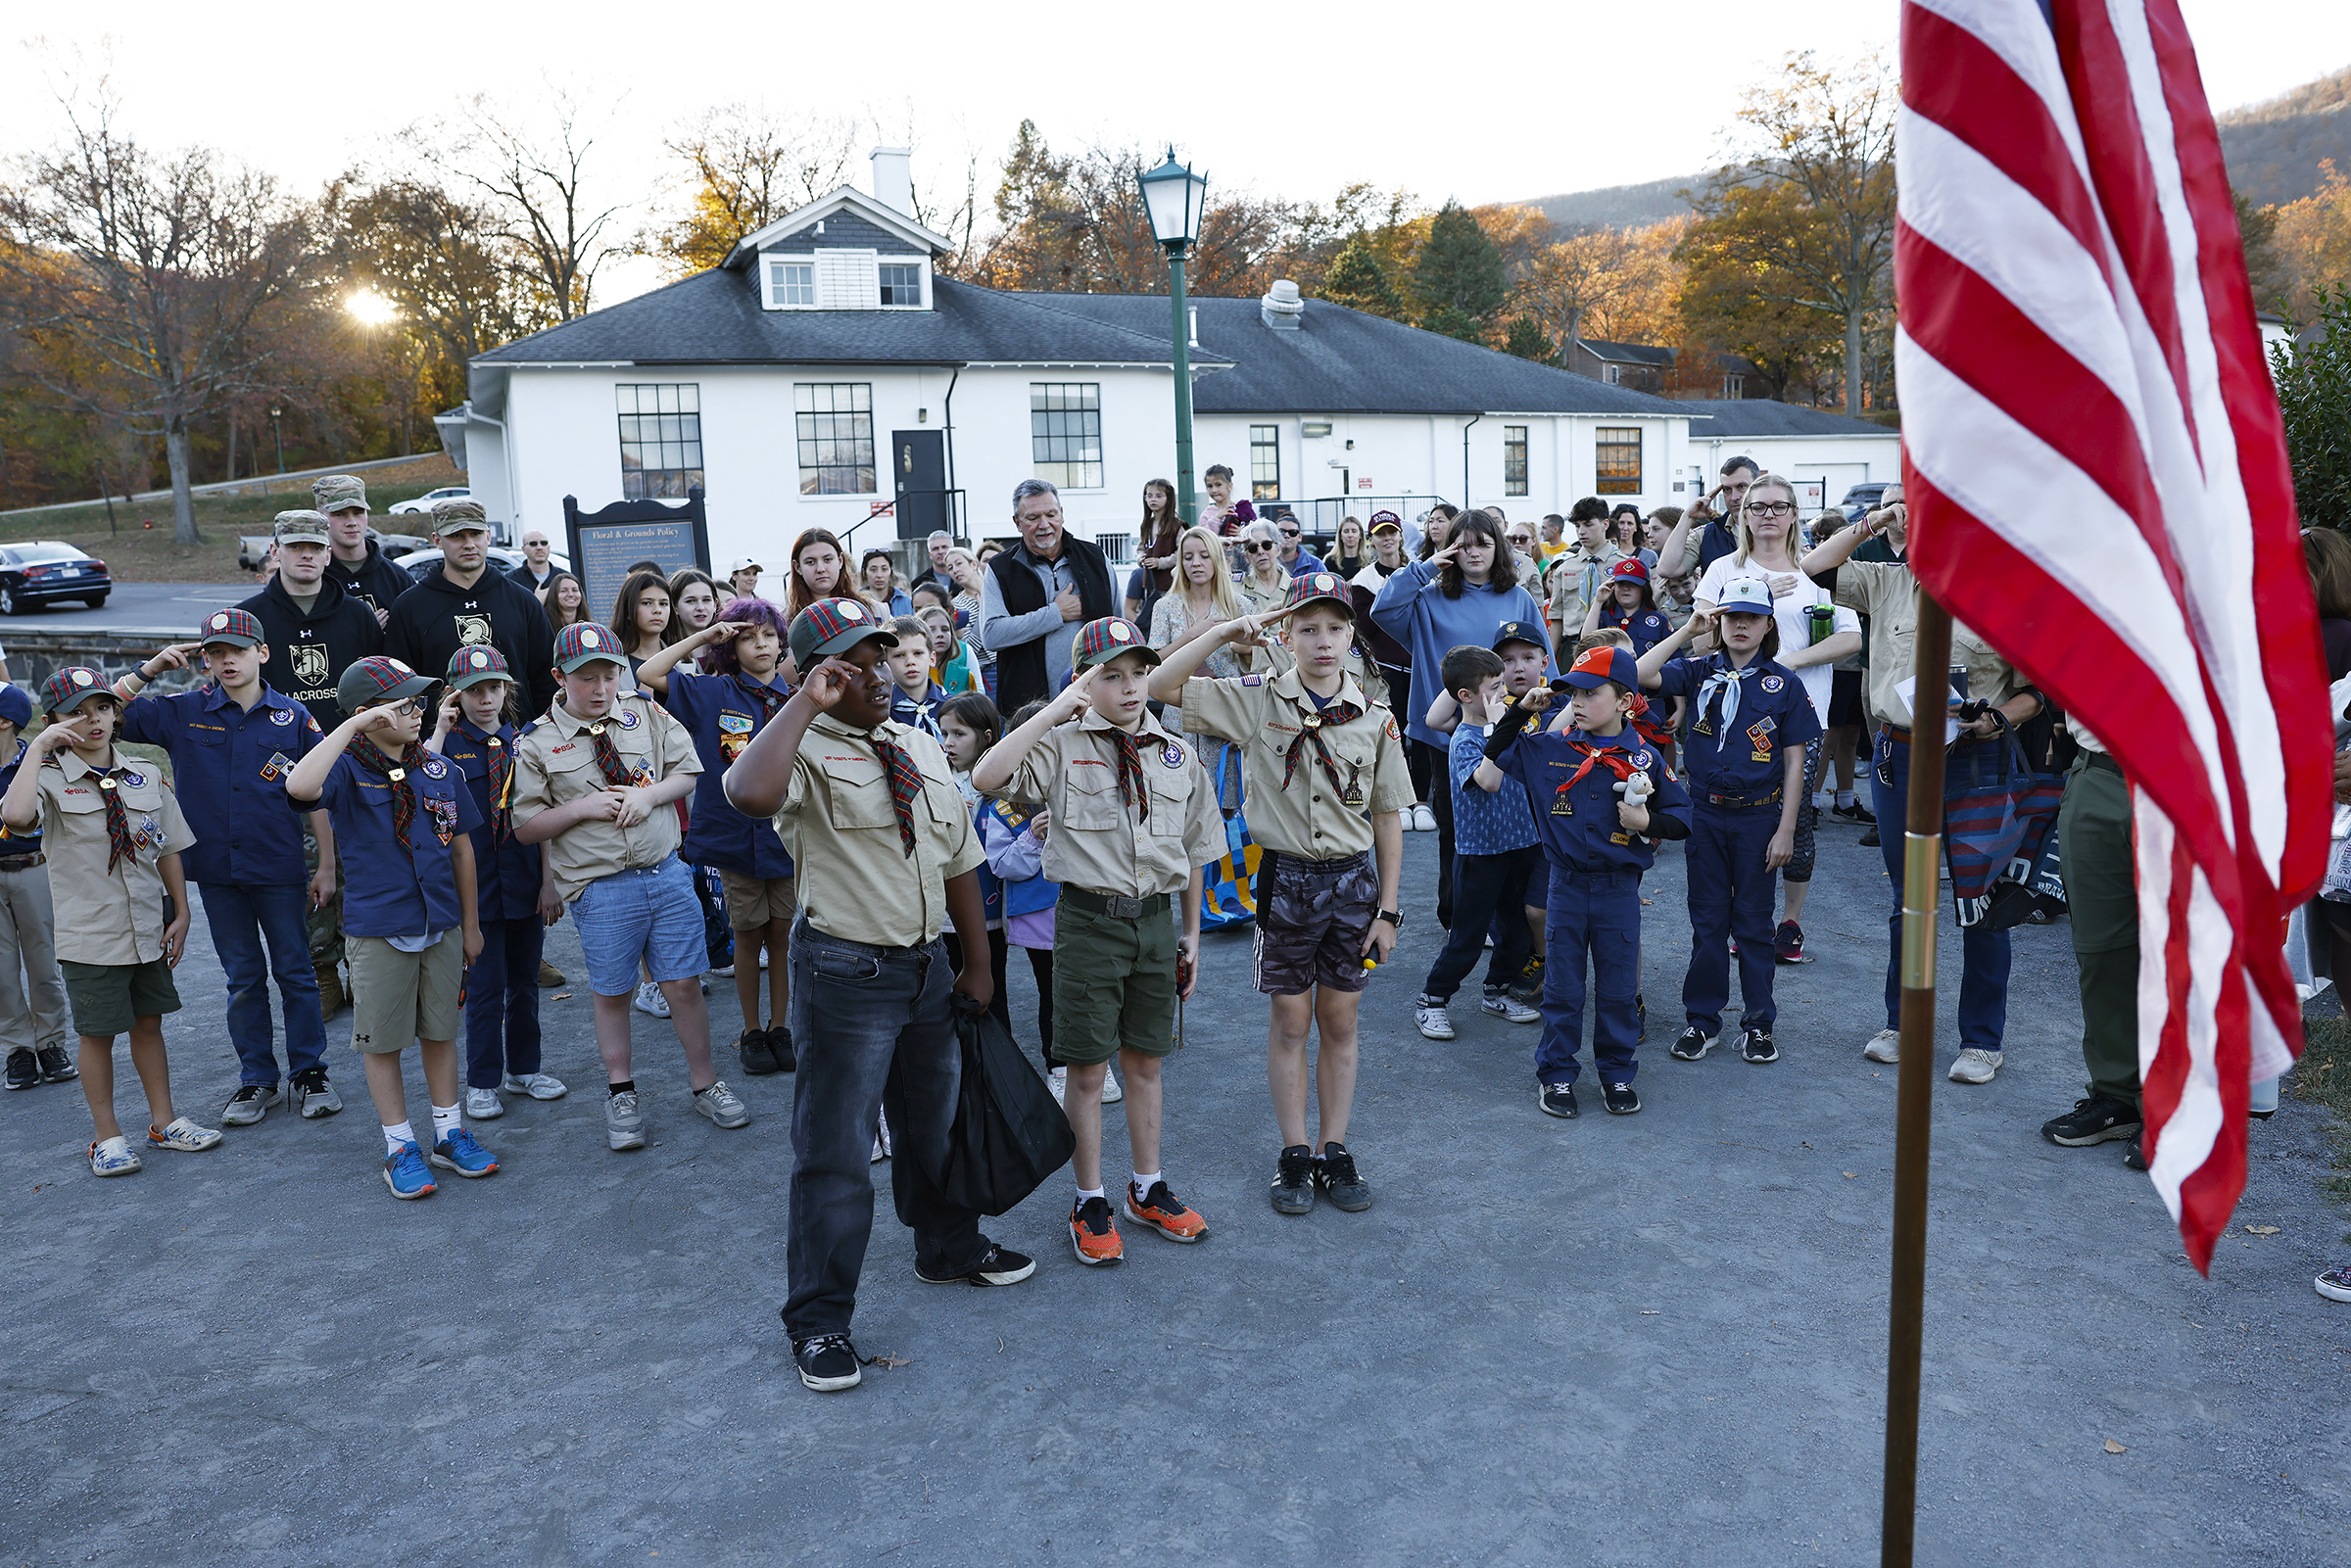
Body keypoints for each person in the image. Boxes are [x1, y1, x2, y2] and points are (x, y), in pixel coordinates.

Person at [723, 596, 1033, 1393]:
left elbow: (958, 853)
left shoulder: (918, 746)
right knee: (835, 1154)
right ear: (817, 672)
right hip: (844, 975)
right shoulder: (800, 748)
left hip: (927, 966)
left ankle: (947, 1246)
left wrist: (978, 961)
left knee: (935, 1121)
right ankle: (820, 1320)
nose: (879, 672)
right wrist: (805, 701)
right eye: (853, 661)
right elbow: (747, 795)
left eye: (883, 652)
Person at [1148, 572, 1413, 1216]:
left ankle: (1334, 1148)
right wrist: (1226, 629)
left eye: (1334, 627)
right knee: (1292, 1021)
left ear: (1352, 635)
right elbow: (1160, 686)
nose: (1322, 640)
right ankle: (1295, 1150)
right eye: (1307, 627)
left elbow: (1385, 817)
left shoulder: (1375, 717)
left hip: (1353, 885)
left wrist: (1389, 910)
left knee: (1341, 1020)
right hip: (1287, 880)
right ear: (1285, 634)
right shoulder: (1256, 698)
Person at [975, 616, 1220, 1264]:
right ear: (1086, 683)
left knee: (1145, 1061)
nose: (1130, 686)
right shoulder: (1059, 746)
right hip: (1085, 921)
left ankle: (1147, 1185)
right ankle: (1089, 1196)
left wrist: (1191, 935)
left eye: (1138, 671)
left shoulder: (1176, 752)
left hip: (1156, 922)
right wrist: (1056, 711)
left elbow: (1196, 848)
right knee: (1085, 1070)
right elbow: (988, 776)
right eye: (1110, 674)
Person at [1805, 497, 2043, 1083]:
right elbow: (1811, 568)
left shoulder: (2005, 592)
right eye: (1909, 511)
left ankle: (1982, 1039)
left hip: (1974, 760)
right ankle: (1904, 1022)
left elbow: (2036, 691)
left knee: (1980, 900)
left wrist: (1997, 720)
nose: (1920, 520)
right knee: (1909, 897)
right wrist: (1875, 521)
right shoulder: (1886, 581)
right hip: (1901, 759)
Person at [513, 621, 749, 1148]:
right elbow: (525, 826)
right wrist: (581, 808)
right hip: (601, 888)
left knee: (684, 983)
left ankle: (705, 1082)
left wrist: (652, 796)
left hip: (665, 874)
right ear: (559, 677)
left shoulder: (644, 713)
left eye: (609, 676)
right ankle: (621, 1092)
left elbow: (688, 773)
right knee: (613, 991)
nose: (600, 689)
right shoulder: (536, 742)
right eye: (586, 679)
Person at [112, 609, 344, 1125]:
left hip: (279, 868)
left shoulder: (295, 718)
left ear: (261, 653)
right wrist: (148, 670)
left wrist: (326, 864)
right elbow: (105, 714)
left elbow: (320, 797)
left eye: (236, 651)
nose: (225, 661)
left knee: (296, 972)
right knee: (242, 978)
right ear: (205, 661)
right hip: (217, 872)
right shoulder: (183, 710)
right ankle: (257, 1078)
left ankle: (310, 1073)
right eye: (214, 653)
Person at [283, 656, 497, 1198]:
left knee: (441, 1030)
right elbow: (299, 789)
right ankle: (399, 1144)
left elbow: (464, 850)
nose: (417, 712)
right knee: (381, 1041)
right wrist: (351, 726)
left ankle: (448, 1133)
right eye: (403, 705)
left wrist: (470, 925)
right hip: (380, 928)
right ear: (369, 714)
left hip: (442, 923)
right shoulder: (344, 770)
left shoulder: (439, 770)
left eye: (418, 702)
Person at [2, 668, 221, 1176]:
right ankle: (107, 1136)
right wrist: (36, 751)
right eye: (77, 711)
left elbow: (166, 847)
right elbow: (14, 818)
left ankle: (163, 1123)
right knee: (97, 1035)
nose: (92, 719)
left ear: (115, 712)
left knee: (150, 1025)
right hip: (91, 933)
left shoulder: (144, 773)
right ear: (53, 720)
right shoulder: (48, 780)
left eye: (101, 707)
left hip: (147, 924)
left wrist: (182, 910)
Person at [1475, 646, 1692, 1118]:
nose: (1577, 701)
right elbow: (1497, 752)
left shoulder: (1645, 758)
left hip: (1618, 889)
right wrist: (1519, 711)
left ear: (1624, 701)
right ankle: (1556, 1075)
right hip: (1566, 886)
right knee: (1564, 989)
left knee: (1617, 989)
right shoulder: (1549, 749)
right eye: (1572, 692)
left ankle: (1616, 1074)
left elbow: (1682, 818)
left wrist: (1645, 821)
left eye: (1591, 693)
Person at [1637, 583, 1820, 1064]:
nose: (1741, 626)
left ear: (1768, 625)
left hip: (1758, 816)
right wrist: (1687, 631)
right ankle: (1702, 1020)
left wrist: (1785, 828)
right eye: (1732, 616)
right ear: (1718, 621)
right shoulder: (1697, 671)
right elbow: (1637, 674)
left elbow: (1796, 760)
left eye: (1752, 617)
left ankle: (1759, 1022)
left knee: (1754, 925)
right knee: (1708, 920)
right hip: (1704, 812)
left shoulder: (1784, 683)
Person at [637, 599, 800, 1075]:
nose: (762, 644)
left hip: (787, 837)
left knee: (785, 937)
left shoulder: (797, 697)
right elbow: (649, 672)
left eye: (769, 635)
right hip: (736, 839)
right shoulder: (712, 692)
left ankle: (780, 1025)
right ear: (732, 646)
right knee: (747, 937)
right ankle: (751, 1030)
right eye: (749, 637)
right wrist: (705, 636)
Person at [1371, 509, 1549, 928]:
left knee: (1515, 826)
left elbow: (1543, 659)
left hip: (1510, 730)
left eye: (1483, 544)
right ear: (1448, 547)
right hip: (1448, 733)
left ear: (1498, 549)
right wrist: (1423, 568)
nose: (1473, 553)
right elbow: (1382, 610)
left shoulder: (1518, 596)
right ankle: (1459, 917)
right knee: (1456, 831)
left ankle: (1510, 917)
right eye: (1462, 544)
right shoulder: (1429, 596)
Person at [426, 646, 566, 1120]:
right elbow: (418, 783)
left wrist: (549, 880)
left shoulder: (525, 742)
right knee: (485, 986)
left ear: (507, 689)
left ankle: (524, 1070)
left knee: (525, 982)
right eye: (473, 691)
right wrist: (441, 729)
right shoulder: (446, 744)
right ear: (455, 696)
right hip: (476, 886)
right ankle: (482, 1081)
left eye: (494, 688)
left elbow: (541, 813)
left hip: (525, 879)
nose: (486, 699)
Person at [1411, 645, 1539, 1041]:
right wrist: (1503, 728)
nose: (1504, 694)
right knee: (1467, 938)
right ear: (1465, 696)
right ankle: (1432, 999)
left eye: (1503, 685)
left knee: (1518, 932)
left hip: (1521, 845)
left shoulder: (1511, 721)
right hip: (1480, 855)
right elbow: (1490, 780)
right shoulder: (1465, 740)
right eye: (1495, 687)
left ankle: (1496, 992)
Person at [384, 499, 557, 720]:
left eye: (475, 534)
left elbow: (546, 679)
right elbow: (401, 688)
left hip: (517, 743)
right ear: (437, 540)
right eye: (457, 536)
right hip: (441, 746)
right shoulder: (410, 607)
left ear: (488, 536)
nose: (468, 544)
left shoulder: (521, 600)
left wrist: (540, 735)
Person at [981, 699, 1069, 1087]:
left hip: (1089, 907)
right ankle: (1060, 1066)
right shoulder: (1004, 804)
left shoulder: (1086, 782)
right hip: (1040, 914)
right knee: (1053, 990)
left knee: (1090, 986)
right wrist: (1033, 836)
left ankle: (1094, 1059)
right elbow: (1002, 866)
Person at [982, 479, 1117, 717]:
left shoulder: (1096, 558)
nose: (1045, 525)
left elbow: (1117, 629)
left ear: (1062, 514)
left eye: (1051, 514)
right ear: (1017, 523)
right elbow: (992, 634)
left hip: (1096, 706)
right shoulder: (1000, 568)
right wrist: (1055, 613)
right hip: (1028, 711)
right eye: (1033, 518)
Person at [240, 510, 387, 729]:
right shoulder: (248, 618)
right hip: (273, 748)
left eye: (316, 548)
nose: (307, 555)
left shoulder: (358, 614)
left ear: (327, 556)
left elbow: (380, 688)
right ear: (274, 551)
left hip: (350, 751)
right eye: (295, 547)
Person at [0, 684, 74, 1094]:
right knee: (1, 972)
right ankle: (17, 1050)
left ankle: (50, 1044)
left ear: (5, 720)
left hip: (33, 869)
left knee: (43, 962)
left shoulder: (42, 760)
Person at [935, 692, 1015, 1044]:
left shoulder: (1005, 783)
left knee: (992, 987)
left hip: (991, 908)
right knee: (947, 989)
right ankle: (959, 1066)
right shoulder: (937, 779)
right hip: (945, 911)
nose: (949, 743)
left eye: (959, 734)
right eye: (944, 733)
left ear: (987, 736)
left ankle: (998, 1064)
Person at [312, 475, 415, 627]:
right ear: (321, 517)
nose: (351, 522)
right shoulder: (314, 579)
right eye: (339, 514)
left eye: (358, 512)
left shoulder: (397, 578)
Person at [1546, 499, 1631, 660]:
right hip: (1572, 645)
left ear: (1605, 524)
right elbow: (1557, 616)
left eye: (1588, 524)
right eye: (1577, 526)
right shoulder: (1565, 568)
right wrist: (1551, 657)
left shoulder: (1624, 564)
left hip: (1613, 643)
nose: (1581, 532)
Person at [1578, 557, 1674, 655]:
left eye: (1633, 584)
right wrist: (1598, 601)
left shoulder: (1659, 620)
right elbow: (1586, 644)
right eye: (1621, 584)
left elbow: (1673, 657)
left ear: (1644, 588)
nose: (1626, 588)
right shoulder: (1603, 617)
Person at [1684, 456, 1758, 578]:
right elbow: (1668, 570)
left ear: (1757, 486)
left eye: (1741, 487)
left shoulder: (1779, 530)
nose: (1734, 497)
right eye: (1727, 489)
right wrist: (1687, 517)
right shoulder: (1706, 534)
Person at [1126, 479, 1184, 628]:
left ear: (1168, 498)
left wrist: (1160, 562)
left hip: (1171, 585)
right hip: (1150, 585)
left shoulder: (1177, 526)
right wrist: (1141, 559)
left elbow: (1182, 553)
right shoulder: (1147, 524)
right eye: (1149, 495)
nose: (1153, 499)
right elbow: (1140, 549)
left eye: (1159, 496)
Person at [884, 615, 947, 738]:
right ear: (885, 662)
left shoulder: (952, 705)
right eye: (899, 655)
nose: (910, 661)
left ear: (932, 658)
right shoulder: (882, 710)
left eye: (918, 653)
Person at [606, 569, 674, 684]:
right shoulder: (607, 661)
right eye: (647, 603)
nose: (657, 610)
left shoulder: (685, 662)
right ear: (628, 610)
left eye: (663, 604)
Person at [784, 530, 850, 622]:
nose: (820, 569)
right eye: (810, 562)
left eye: (827, 560)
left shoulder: (869, 609)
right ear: (798, 567)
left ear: (840, 561)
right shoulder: (786, 621)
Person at [1235, 520, 1293, 613]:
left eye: (1267, 545)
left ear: (1278, 549)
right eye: (1252, 548)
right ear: (1246, 557)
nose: (1260, 552)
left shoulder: (1294, 589)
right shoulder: (1236, 587)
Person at [1200, 463, 1257, 537]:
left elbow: (1258, 534)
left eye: (1218, 485)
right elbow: (1205, 539)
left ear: (1229, 486)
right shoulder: (1206, 515)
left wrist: (1243, 533)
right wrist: (1217, 518)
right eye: (1210, 486)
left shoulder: (1243, 509)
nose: (1214, 490)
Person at [667, 569, 722, 641]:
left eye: (706, 600)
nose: (700, 608)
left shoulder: (727, 644)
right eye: (691, 601)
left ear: (715, 604)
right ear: (675, 606)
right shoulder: (663, 646)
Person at [1272, 512, 1327, 578]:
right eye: (1281, 532)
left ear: (1300, 537)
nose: (1286, 536)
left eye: (1293, 532)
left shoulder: (1316, 565)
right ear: (1274, 534)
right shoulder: (1265, 562)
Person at [859, 550, 912, 617]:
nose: (879, 575)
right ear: (864, 573)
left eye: (884, 569)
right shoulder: (857, 600)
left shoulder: (905, 601)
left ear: (891, 572)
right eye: (873, 569)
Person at [508, 530, 559, 594]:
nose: (539, 548)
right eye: (533, 544)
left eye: (544, 543)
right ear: (523, 549)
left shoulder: (564, 578)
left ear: (549, 547)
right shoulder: (511, 580)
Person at [909, 531, 956, 597]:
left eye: (944, 547)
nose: (940, 551)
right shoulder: (918, 583)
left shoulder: (964, 578)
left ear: (953, 550)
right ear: (930, 554)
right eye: (935, 549)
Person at [1328, 516, 1367, 580]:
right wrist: (1354, 580)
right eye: (1346, 531)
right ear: (1340, 535)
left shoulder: (1369, 561)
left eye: (1354, 531)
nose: (1350, 535)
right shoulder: (1330, 561)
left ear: (1360, 535)